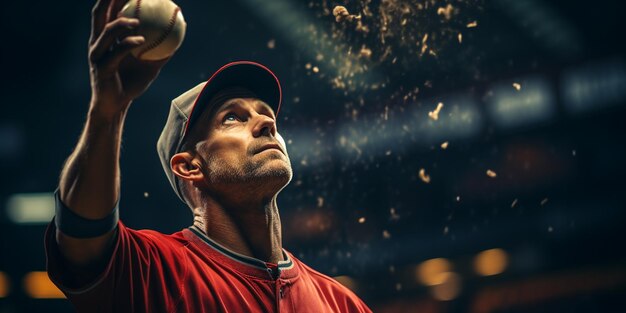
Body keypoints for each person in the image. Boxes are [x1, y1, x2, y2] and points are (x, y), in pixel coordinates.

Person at [44, 0, 373, 312]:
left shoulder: (342, 302)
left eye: (266, 113)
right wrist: (107, 111)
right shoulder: (155, 271)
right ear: (189, 166)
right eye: (232, 117)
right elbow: (81, 234)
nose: (266, 121)